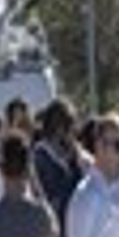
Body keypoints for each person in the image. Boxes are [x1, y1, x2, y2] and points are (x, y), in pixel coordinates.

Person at [32, 98, 89, 228]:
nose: (73, 136)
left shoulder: (73, 156)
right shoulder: (40, 159)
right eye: (71, 129)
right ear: (60, 129)